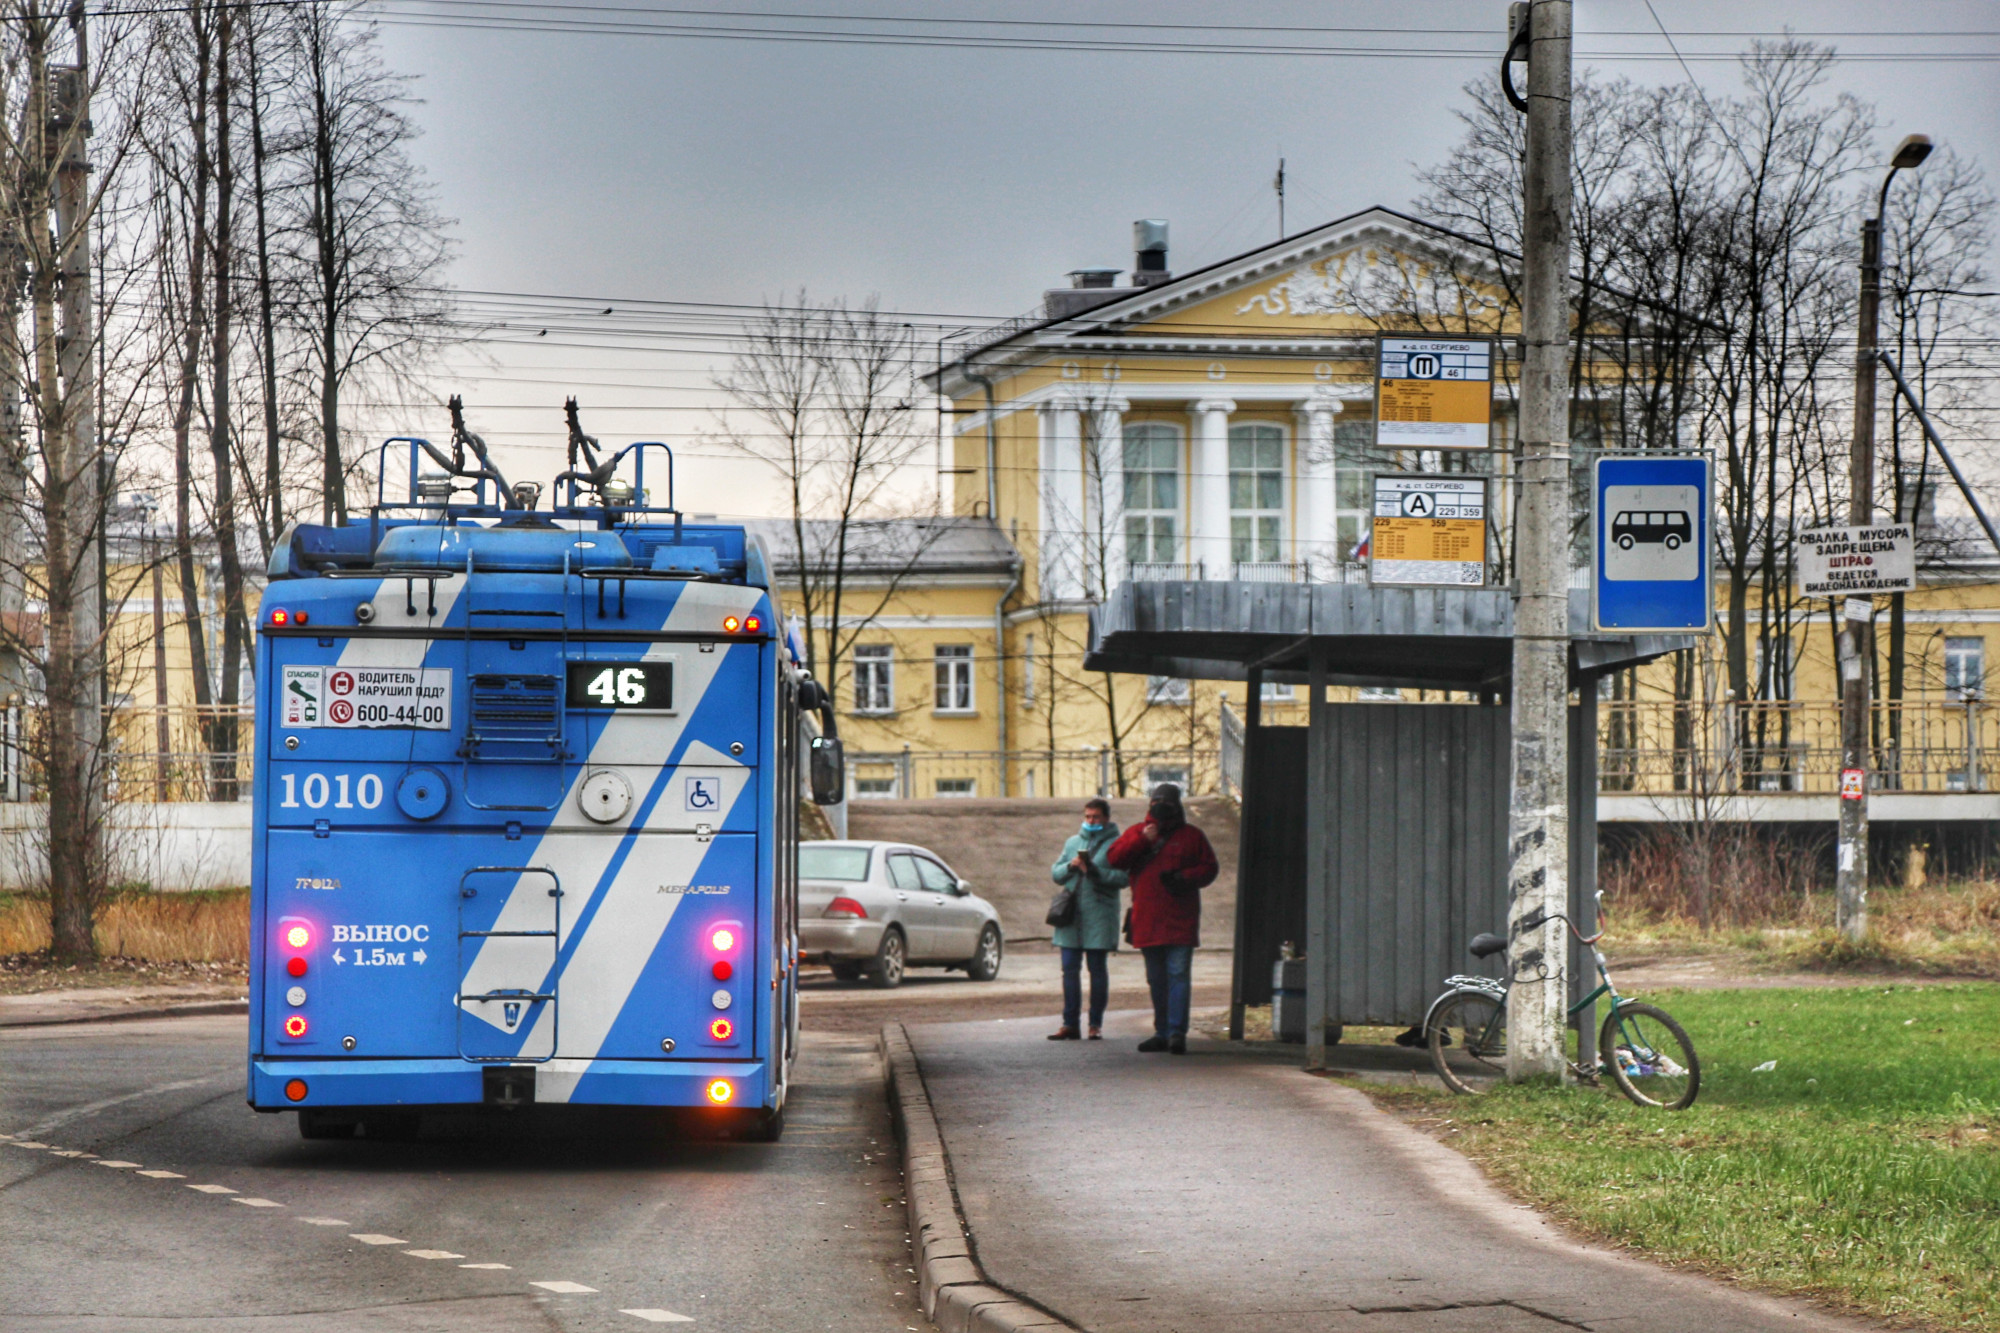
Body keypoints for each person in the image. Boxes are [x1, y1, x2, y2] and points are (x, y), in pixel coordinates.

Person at [1106, 784, 1218, 1055]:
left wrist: (1183, 877)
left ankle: (1177, 1033)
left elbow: (1209, 868)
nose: (1160, 805)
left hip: (1180, 920)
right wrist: (1143, 841)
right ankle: (1162, 1032)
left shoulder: (1191, 836)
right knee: (1157, 979)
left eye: (1165, 801)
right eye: (1156, 800)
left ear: (1177, 804)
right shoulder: (1138, 832)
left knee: (1178, 975)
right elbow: (1114, 859)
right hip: (1148, 920)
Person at [1047, 797, 1128, 1040]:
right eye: (1087, 817)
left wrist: (1093, 870)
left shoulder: (1117, 844)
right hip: (1071, 916)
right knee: (1069, 969)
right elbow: (1056, 873)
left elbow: (1122, 879)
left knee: (1097, 969)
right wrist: (1071, 866)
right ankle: (1070, 1023)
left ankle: (1095, 1024)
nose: (1091, 821)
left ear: (1106, 818)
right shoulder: (1073, 842)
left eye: (1096, 817)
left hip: (1100, 915)